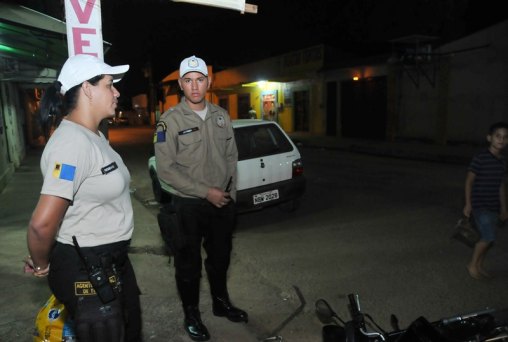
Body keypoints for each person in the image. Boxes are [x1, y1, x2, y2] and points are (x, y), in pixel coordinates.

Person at [24, 54, 142, 342]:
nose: (116, 92)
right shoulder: (71, 143)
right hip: (87, 267)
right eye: (109, 84)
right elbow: (42, 225)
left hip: (110, 259)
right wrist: (42, 263)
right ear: (87, 89)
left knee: (130, 329)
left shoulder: (94, 136)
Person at [154, 55, 247, 341]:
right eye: (188, 81)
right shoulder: (168, 122)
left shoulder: (221, 116)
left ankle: (220, 304)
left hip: (222, 204)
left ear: (208, 82)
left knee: (220, 259)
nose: (195, 86)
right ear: (181, 85)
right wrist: (207, 192)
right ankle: (191, 313)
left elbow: (232, 157)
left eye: (200, 79)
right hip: (188, 206)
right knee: (188, 264)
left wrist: (229, 195)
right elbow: (165, 170)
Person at [463, 121, 508, 280]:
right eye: (498, 136)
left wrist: (504, 208)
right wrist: (468, 203)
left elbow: (500, 186)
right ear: (489, 138)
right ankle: (472, 265)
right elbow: (469, 180)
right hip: (480, 205)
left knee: (487, 237)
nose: (501, 140)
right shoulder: (480, 157)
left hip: (493, 206)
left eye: (505, 137)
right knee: (488, 237)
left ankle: (479, 265)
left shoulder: (502, 161)